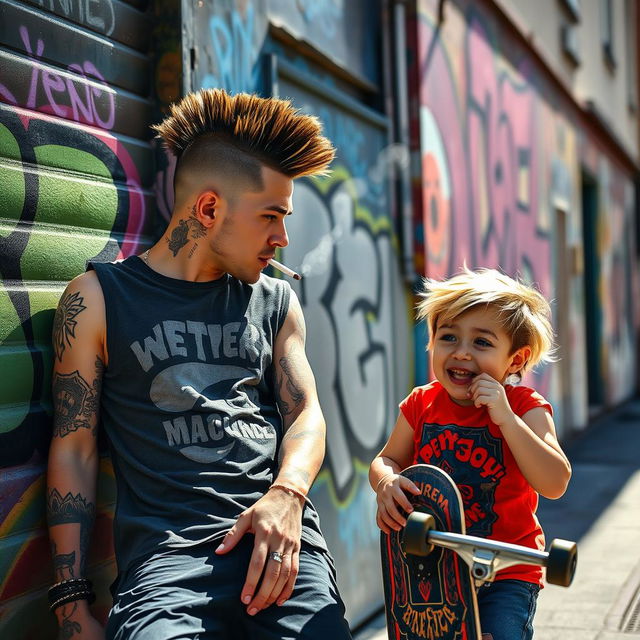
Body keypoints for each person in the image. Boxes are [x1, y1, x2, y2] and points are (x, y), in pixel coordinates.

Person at [46, 88, 352, 640]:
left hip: (281, 547)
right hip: (166, 570)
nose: (282, 238)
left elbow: (306, 414)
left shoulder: (276, 301)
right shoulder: (96, 300)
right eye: (271, 216)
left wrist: (287, 497)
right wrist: (71, 606)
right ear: (209, 209)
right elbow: (75, 447)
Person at [369, 267, 572, 640]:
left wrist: (507, 420)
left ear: (515, 360)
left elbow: (555, 481)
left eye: (481, 343)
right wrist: (386, 482)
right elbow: (386, 460)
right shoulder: (421, 403)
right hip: (435, 566)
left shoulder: (524, 406)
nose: (461, 352)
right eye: (448, 337)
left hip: (506, 570)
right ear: (431, 343)